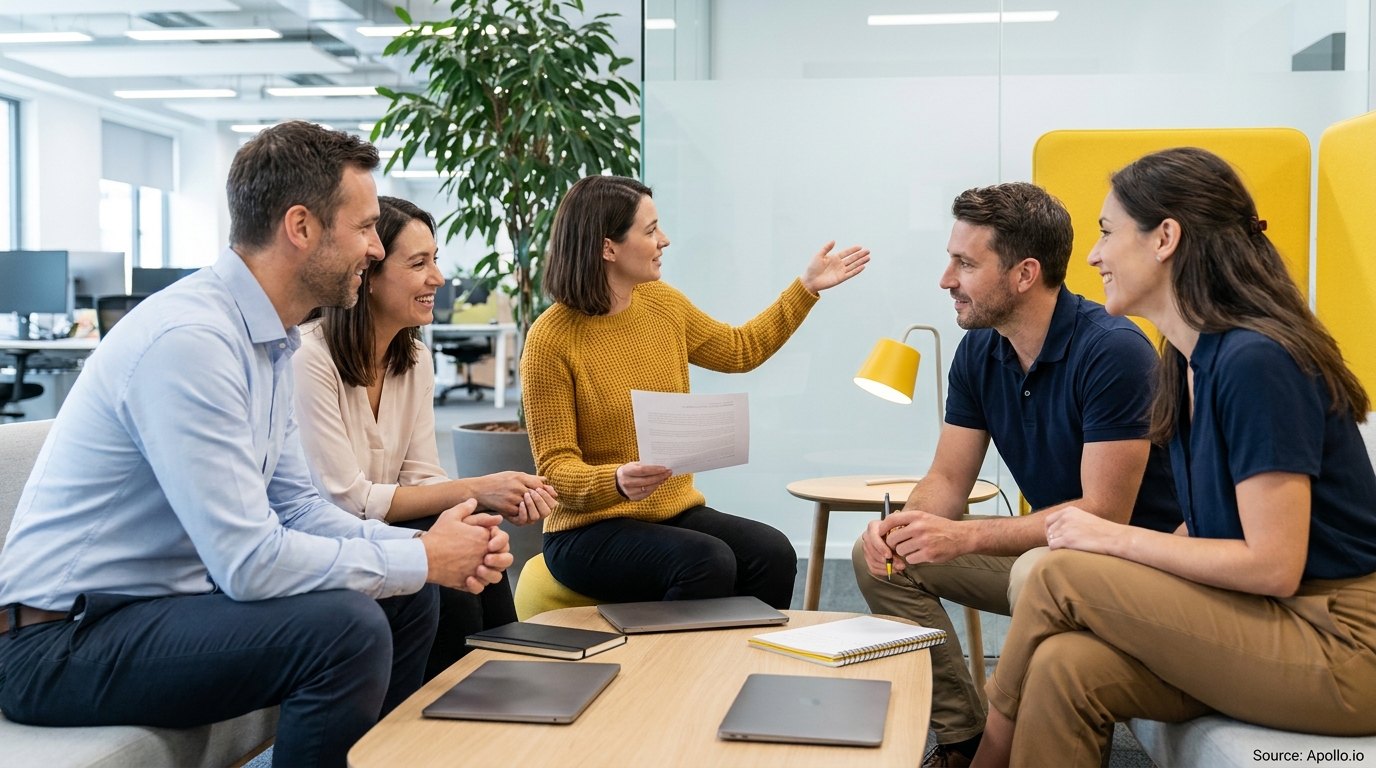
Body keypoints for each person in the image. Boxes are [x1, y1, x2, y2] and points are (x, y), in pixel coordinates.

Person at [0, 122, 512, 768]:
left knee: (409, 595)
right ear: (301, 227)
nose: (376, 250)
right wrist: (422, 556)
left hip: (148, 616)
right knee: (347, 631)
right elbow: (248, 561)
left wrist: (427, 551)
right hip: (60, 644)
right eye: (363, 228)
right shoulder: (192, 341)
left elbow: (302, 511)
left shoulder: (269, 344)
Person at [972, 148, 1376, 767]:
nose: (1093, 254)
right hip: (1270, 619)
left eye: (1108, 232)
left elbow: (1274, 565)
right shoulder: (1185, 362)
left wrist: (1110, 541)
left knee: (1058, 572)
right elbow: (1210, 525)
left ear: (1165, 238)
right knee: (1063, 665)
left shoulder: (1255, 362)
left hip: (1343, 644)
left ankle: (986, 758)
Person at [852, 182, 1182, 767]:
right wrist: (905, 527)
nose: (946, 279)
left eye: (965, 263)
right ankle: (963, 738)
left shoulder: (1112, 350)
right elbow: (949, 480)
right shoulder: (980, 350)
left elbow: (1104, 513)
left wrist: (968, 536)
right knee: (879, 559)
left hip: (1132, 564)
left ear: (1025, 274)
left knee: (1039, 571)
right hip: (1051, 552)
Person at [521, 174, 869, 609]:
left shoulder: (662, 304)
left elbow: (741, 350)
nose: (663, 240)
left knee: (774, 551)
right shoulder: (550, 339)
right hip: (585, 531)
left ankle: (743, 667)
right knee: (707, 561)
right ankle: (675, 674)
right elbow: (554, 469)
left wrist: (806, 289)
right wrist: (615, 480)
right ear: (608, 247)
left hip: (672, 510)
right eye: (650, 231)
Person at [293, 195, 558, 680]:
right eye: (419, 263)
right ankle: (459, 716)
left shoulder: (413, 359)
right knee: (449, 561)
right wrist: (477, 489)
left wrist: (476, 506)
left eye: (434, 261)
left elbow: (423, 478)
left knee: (474, 532)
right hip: (328, 545)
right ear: (368, 276)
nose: (438, 278)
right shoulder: (308, 359)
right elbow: (344, 501)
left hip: (379, 531)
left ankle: (513, 691)